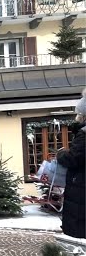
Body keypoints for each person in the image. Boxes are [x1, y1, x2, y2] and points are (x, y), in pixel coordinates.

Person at [56, 88, 86, 239]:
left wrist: (61, 154)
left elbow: (74, 158)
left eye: (79, 115)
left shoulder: (84, 135)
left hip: (81, 190)